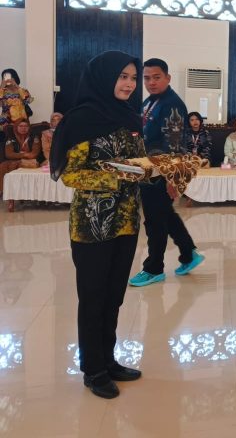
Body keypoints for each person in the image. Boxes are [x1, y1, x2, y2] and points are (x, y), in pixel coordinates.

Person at [49, 51, 150, 399]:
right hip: (92, 225)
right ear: (104, 77)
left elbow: (138, 162)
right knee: (93, 297)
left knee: (114, 296)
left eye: (133, 78)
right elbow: (70, 174)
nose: (129, 84)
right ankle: (92, 369)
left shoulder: (130, 117)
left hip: (125, 221)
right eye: (122, 76)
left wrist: (154, 169)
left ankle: (108, 360)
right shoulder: (81, 120)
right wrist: (117, 177)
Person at [129, 59, 203, 288]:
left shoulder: (172, 104)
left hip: (161, 172)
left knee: (155, 221)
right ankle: (188, 253)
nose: (151, 82)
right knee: (164, 215)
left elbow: (174, 145)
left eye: (156, 77)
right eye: (147, 78)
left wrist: (173, 179)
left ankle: (154, 268)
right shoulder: (151, 101)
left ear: (168, 78)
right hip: (148, 169)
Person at [0, 119, 41, 194]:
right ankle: (4, 191)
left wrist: (18, 156)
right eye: (21, 126)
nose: (23, 128)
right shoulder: (10, 138)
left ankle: (18, 192)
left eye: (26, 126)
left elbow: (34, 153)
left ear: (29, 128)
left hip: (31, 162)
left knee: (31, 164)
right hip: (15, 161)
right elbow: (9, 154)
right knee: (3, 166)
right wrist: (24, 154)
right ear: (16, 127)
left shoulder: (34, 137)